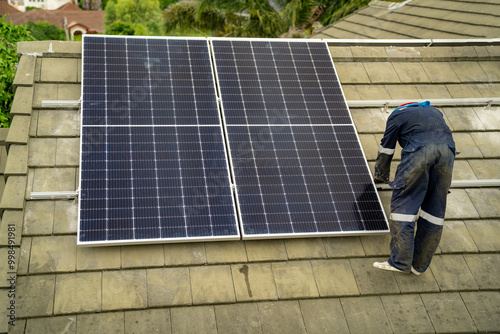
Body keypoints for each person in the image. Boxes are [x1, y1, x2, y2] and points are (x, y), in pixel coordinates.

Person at [372, 101, 456, 275]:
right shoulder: (434, 112)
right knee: (434, 213)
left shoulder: (397, 115)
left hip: (420, 152)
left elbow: (387, 148)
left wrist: (381, 175)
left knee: (403, 208)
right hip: (448, 155)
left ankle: (400, 262)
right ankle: (418, 265)